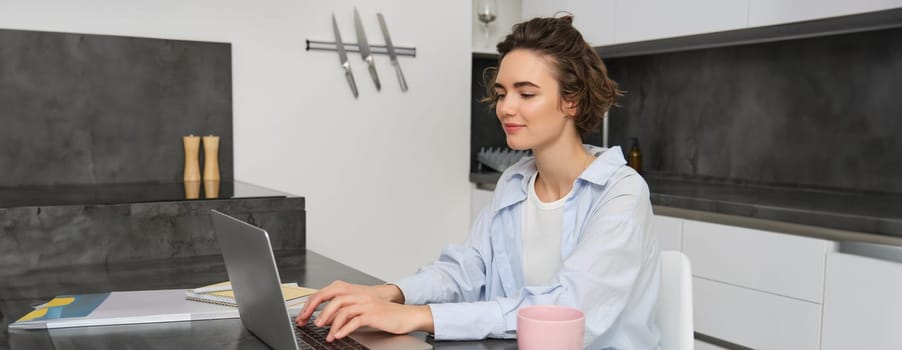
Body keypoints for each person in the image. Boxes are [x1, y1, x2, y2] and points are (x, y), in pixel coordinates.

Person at [297, 15, 661, 349]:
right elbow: (468, 271)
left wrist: (420, 316)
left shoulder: (621, 192)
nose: (505, 107)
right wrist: (390, 293)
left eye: (526, 93)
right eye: (502, 93)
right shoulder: (515, 181)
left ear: (572, 102)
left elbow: (568, 310)